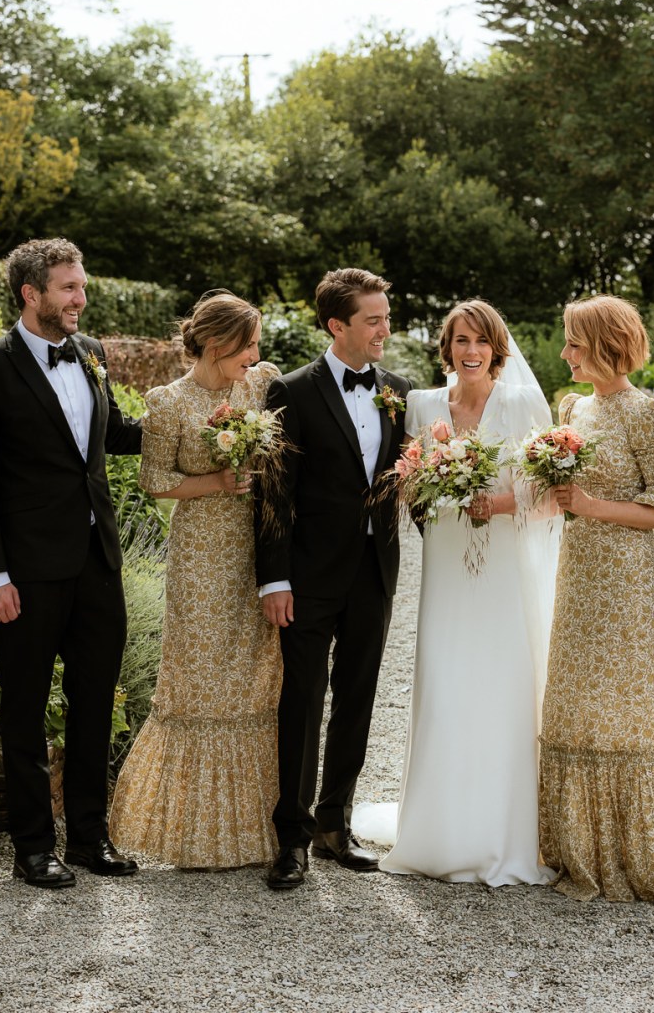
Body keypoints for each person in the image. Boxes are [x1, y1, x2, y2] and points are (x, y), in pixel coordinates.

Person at [0, 238, 141, 888]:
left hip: (97, 562)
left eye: (81, 286)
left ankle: (91, 838)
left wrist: (190, 419)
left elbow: (114, 433)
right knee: (27, 712)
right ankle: (33, 847)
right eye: (68, 288)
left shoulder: (91, 354)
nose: (80, 299)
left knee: (93, 706)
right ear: (31, 294)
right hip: (25, 575)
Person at [363, 299, 561, 887]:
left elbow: (553, 495)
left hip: (502, 567)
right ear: (445, 348)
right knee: (446, 684)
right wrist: (427, 484)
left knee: (503, 687)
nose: (469, 351)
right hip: (448, 564)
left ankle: (503, 832)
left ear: (496, 347)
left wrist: (499, 502)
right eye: (459, 341)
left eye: (480, 341)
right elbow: (406, 485)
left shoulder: (524, 402)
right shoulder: (423, 406)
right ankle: (438, 829)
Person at [108, 292, 282, 869]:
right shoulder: (168, 402)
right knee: (202, 676)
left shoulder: (259, 386)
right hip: (202, 555)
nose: (256, 354)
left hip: (259, 551)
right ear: (216, 345)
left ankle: (258, 831)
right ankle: (194, 834)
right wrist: (216, 484)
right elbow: (154, 479)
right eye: (247, 345)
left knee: (256, 676)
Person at [255, 267, 412, 890]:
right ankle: (290, 837)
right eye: (373, 319)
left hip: (375, 573)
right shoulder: (290, 392)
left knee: (358, 699)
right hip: (309, 577)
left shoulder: (398, 390)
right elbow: (273, 496)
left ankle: (334, 822)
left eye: (386, 317)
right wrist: (274, 581)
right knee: (300, 702)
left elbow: (406, 481)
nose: (385, 329)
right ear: (336, 325)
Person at [539, 295, 654, 904]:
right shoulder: (574, 405)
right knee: (578, 700)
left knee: (625, 708)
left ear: (605, 346)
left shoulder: (642, 413)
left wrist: (590, 506)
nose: (564, 353)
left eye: (574, 343)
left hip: (626, 579)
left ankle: (633, 855)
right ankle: (576, 849)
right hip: (578, 573)